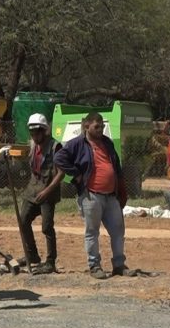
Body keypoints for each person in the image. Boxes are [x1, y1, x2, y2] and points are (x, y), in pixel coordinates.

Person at [55, 111, 132, 279]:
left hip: (111, 196)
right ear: (86, 125)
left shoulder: (107, 143)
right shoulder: (77, 144)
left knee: (118, 231)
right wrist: (76, 174)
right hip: (91, 196)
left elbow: (116, 166)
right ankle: (94, 266)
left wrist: (122, 188)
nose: (100, 129)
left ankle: (119, 265)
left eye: (102, 126)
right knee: (92, 232)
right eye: (97, 126)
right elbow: (59, 158)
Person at [13, 113, 64, 274]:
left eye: (37, 132)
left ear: (44, 131)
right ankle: (32, 255)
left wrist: (48, 191)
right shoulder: (32, 145)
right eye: (32, 132)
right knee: (23, 220)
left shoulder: (56, 147)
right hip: (32, 189)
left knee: (47, 227)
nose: (34, 135)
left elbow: (61, 173)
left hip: (48, 191)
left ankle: (50, 262)